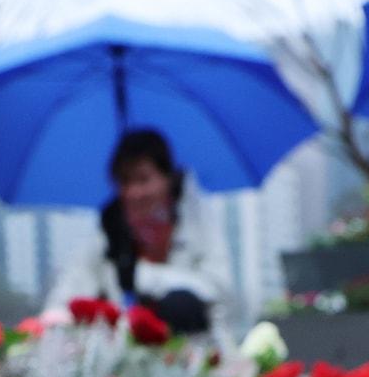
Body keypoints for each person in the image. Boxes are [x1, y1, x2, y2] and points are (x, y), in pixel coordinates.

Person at [45, 128, 233, 339]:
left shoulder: (198, 221)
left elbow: (219, 290)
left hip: (194, 348)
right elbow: (68, 294)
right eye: (125, 181)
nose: (133, 193)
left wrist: (144, 275)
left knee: (180, 304)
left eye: (143, 180)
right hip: (126, 353)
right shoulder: (108, 232)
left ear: (167, 179)